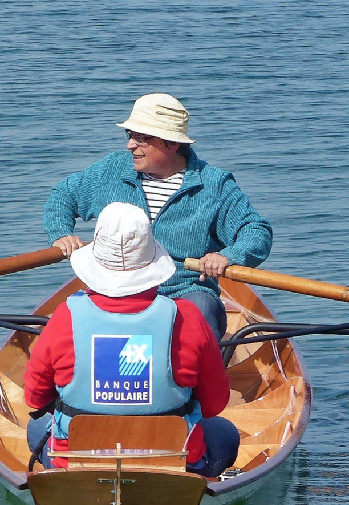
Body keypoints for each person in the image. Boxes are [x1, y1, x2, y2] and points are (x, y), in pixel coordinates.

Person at [25, 202, 240, 477]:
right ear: (153, 264)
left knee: (35, 426)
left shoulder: (65, 316)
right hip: (175, 462)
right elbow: (214, 404)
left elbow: (34, 396)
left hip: (77, 462)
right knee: (225, 434)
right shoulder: (188, 317)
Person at [44, 93, 272, 340]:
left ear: (172, 143)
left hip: (183, 291)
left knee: (201, 316)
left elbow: (256, 231)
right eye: (130, 135)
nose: (130, 145)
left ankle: (199, 376)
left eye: (141, 138)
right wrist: (61, 234)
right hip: (115, 289)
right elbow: (63, 195)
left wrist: (228, 256)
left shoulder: (214, 185)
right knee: (66, 327)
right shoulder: (112, 170)